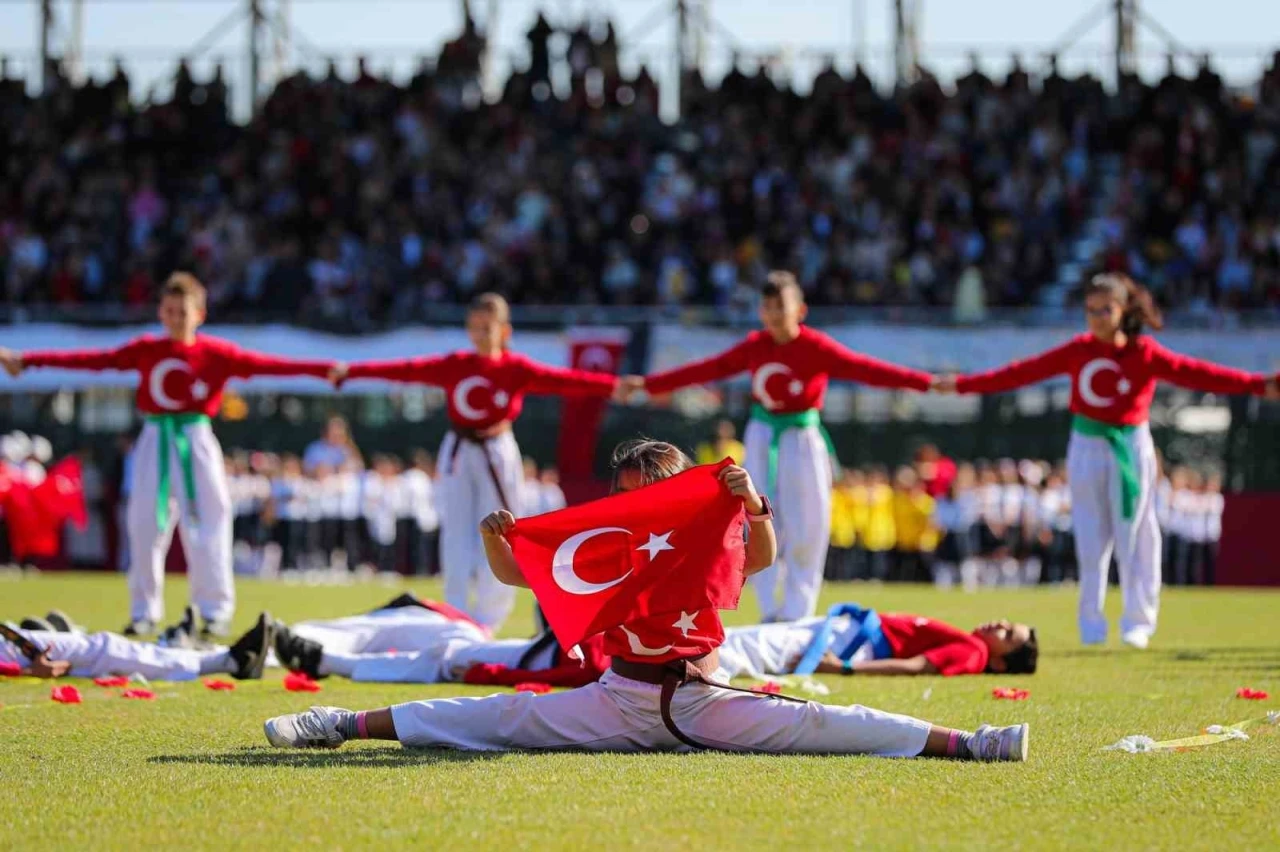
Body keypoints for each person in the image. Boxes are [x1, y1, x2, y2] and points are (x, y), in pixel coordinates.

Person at [264, 439, 1028, 761]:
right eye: (630, 493)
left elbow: (759, 558)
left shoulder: (702, 529)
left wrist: (754, 505)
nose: (642, 503)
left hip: (702, 692)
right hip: (618, 696)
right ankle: (340, 723)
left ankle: (972, 742)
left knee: (828, 724)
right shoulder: (606, 546)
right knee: (487, 717)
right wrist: (503, 542)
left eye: (653, 489)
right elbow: (518, 580)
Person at [936, 273, 1280, 648]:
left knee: (1136, 534)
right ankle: (1091, 624)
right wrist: (964, 385)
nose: (1097, 317)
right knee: (1089, 535)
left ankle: (1138, 622)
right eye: (1090, 310)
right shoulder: (1078, 350)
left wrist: (1257, 385)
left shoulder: (1144, 353)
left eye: (1106, 309)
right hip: (1086, 444)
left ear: (1124, 311)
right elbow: (1020, 373)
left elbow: (1197, 373)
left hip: (1130, 445)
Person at [0, 273, 335, 636]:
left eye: (183, 312)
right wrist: (29, 361)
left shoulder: (215, 354)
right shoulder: (148, 349)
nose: (175, 319)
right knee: (144, 526)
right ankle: (144, 612)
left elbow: (269, 366)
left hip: (197, 438)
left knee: (212, 521)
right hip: (155, 438)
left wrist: (323, 370)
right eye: (170, 311)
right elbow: (93, 360)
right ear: (160, 312)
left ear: (199, 315)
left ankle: (214, 611)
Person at [634, 273, 933, 621]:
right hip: (763, 435)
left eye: (782, 307)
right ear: (761, 311)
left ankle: (797, 613)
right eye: (769, 307)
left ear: (800, 310)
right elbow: (710, 368)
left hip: (802, 438)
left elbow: (866, 369)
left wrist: (925, 383)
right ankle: (767, 611)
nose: (775, 314)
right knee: (757, 516)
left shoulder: (815, 347)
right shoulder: (755, 345)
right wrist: (651, 384)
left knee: (809, 523)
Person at [331, 293, 622, 629]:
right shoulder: (457, 364)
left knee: (502, 529)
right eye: (474, 328)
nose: (480, 335)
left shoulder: (516, 368)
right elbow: (404, 371)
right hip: (458, 448)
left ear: (504, 331)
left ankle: (489, 619)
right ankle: (454, 615)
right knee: (454, 532)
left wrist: (613, 385)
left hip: (497, 449)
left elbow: (568, 381)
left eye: (487, 328)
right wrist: (352, 370)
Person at [721, 608, 1037, 679]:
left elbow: (917, 667)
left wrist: (844, 667)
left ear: (999, 663)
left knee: (759, 647)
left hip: (858, 645)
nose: (1000, 625)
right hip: (853, 630)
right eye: (1008, 624)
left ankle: (693, 664)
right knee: (752, 637)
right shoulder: (975, 643)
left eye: (1008, 636)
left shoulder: (976, 652)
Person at [0, 611, 274, 681]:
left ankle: (203, 653)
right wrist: (23, 672)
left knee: (103, 648)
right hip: (14, 651)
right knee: (106, 650)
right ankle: (227, 661)